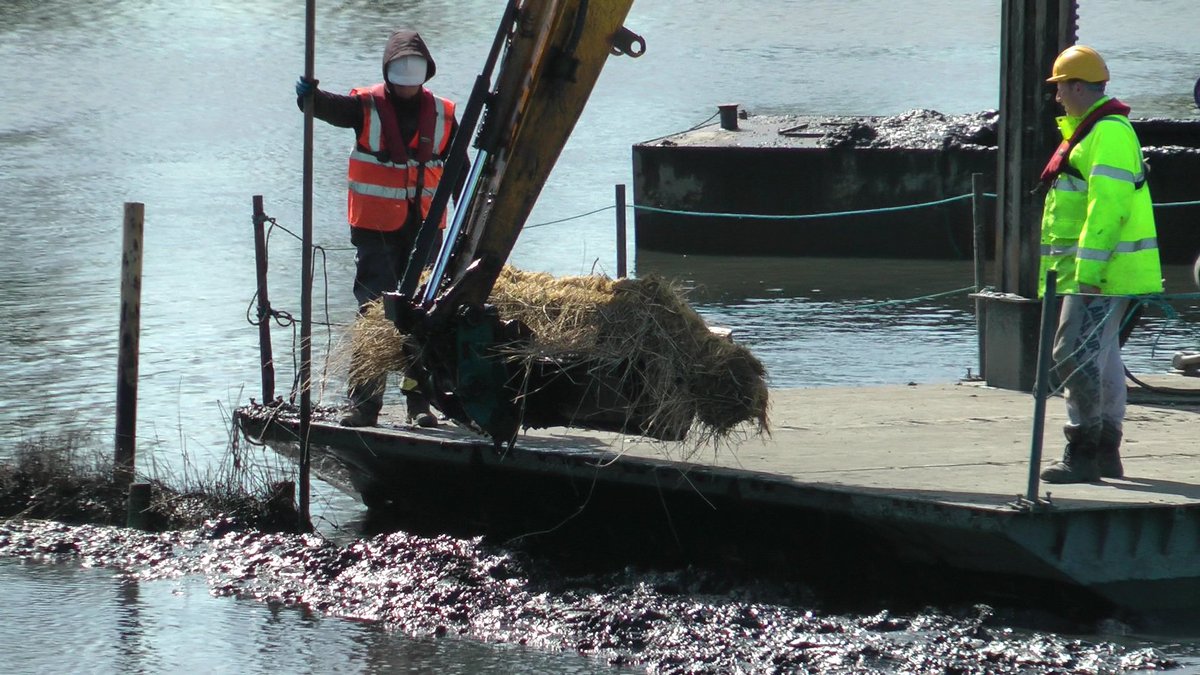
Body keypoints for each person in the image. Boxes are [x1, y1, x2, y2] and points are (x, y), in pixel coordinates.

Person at [296, 29, 465, 428]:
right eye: (401, 68)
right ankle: (364, 405)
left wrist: (465, 220)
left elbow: (460, 170)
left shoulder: (443, 114)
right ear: (388, 70)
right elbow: (327, 107)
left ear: (427, 72)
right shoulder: (365, 106)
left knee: (421, 314)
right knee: (374, 312)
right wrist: (309, 97)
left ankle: (418, 403)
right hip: (376, 229)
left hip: (425, 230)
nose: (408, 78)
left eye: (415, 68)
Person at [1036, 45, 1163, 483]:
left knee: (1071, 354)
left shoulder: (1105, 134)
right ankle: (1106, 451)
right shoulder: (1097, 132)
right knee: (1103, 356)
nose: (1057, 98)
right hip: (1107, 273)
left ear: (1076, 86)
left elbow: (1107, 210)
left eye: (1060, 88)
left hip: (1100, 275)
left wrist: (1087, 275)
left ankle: (1084, 452)